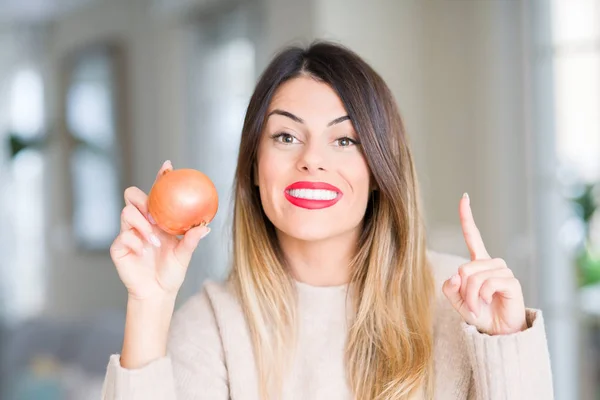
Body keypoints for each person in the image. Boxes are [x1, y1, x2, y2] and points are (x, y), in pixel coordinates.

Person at [101, 41, 554, 400]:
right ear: (254, 169)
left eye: (344, 140)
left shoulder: (460, 304)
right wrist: (150, 303)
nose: (312, 160)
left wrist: (506, 345)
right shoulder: (212, 327)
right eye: (286, 136)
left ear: (379, 171)